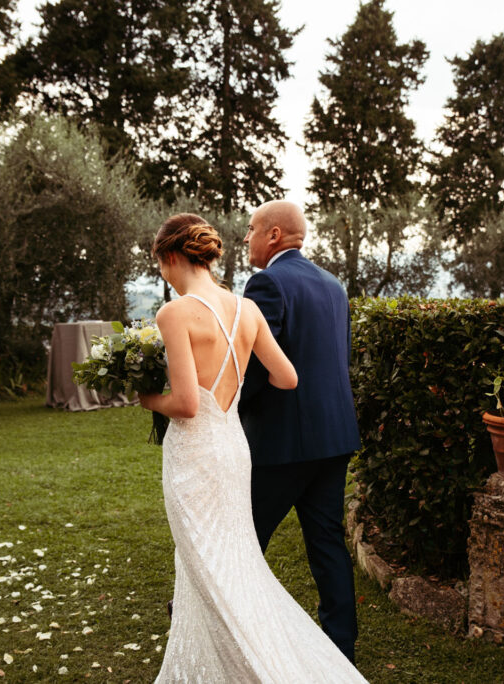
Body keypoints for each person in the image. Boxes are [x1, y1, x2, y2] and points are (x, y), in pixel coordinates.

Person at [138, 214, 367, 683]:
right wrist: (233, 383)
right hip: (267, 442)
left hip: (215, 450)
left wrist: (148, 398)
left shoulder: (184, 309)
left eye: (159, 263)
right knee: (260, 555)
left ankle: (249, 660)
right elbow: (288, 375)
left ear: (172, 255)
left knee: (215, 561)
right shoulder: (261, 304)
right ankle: (329, 649)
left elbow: (183, 403)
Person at [238, 200, 363, 663]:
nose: (246, 239)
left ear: (273, 235)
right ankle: (341, 649)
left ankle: (222, 626)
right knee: (328, 543)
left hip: (283, 441)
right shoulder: (334, 285)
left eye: (251, 230)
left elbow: (254, 364)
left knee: (243, 537)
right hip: (335, 437)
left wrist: (228, 407)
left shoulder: (266, 282)